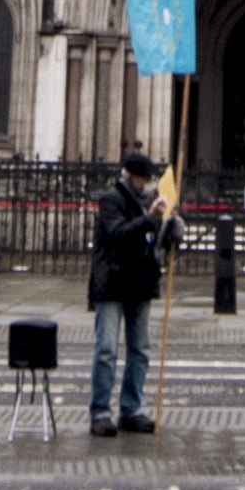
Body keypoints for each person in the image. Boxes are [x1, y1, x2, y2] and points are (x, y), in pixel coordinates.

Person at [86, 147, 174, 436]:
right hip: (112, 282)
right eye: (144, 179)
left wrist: (170, 229)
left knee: (140, 349)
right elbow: (119, 234)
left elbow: (154, 239)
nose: (148, 184)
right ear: (130, 176)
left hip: (139, 282)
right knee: (107, 349)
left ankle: (131, 409)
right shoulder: (112, 200)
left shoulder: (148, 200)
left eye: (150, 179)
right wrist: (150, 218)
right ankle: (100, 412)